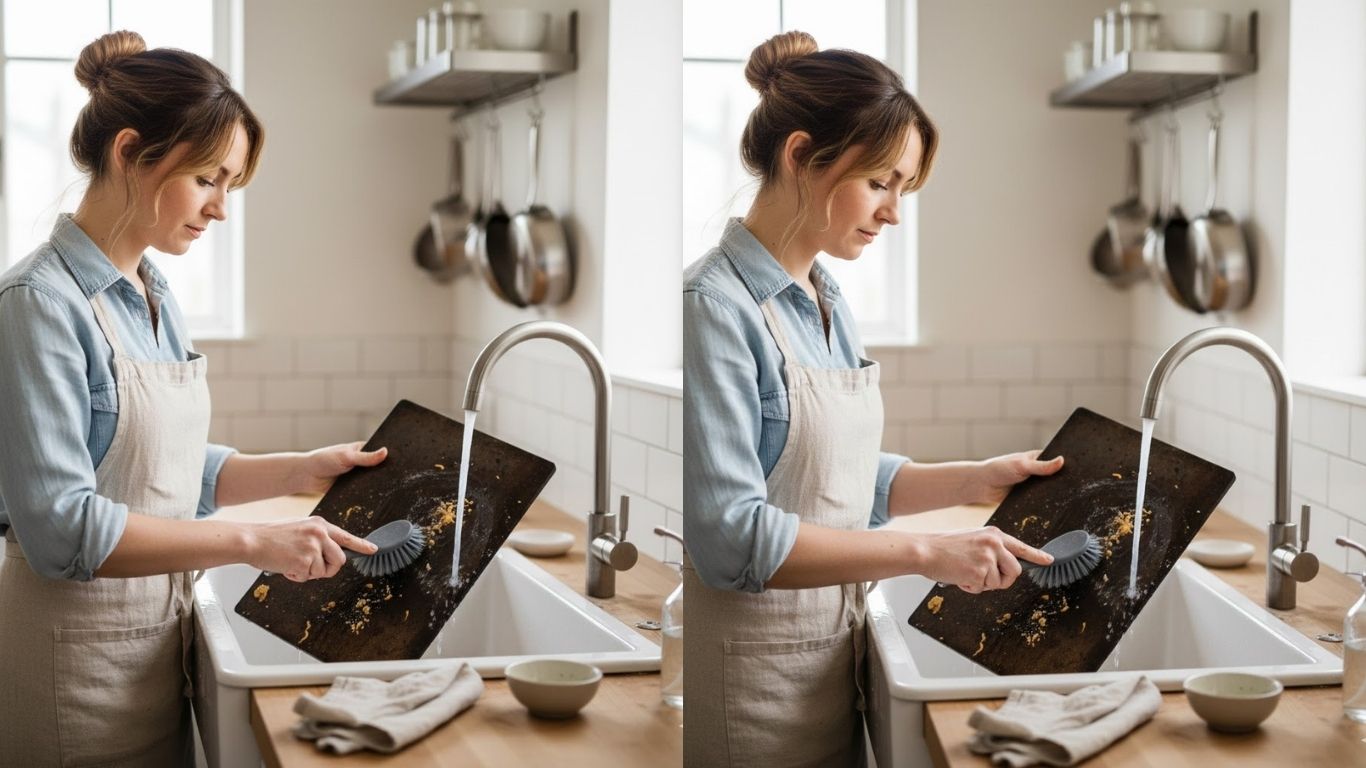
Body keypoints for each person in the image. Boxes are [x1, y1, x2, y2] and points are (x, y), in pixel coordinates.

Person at [682, 31, 1066, 768]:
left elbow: (835, 480)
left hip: (827, 672)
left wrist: (974, 479)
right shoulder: (714, 308)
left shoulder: (824, 297)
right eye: (882, 181)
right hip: (752, 693)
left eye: (903, 188)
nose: (893, 212)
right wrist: (929, 552)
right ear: (800, 156)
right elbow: (730, 536)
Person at [0, 31, 383, 765]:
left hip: (150, 656)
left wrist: (297, 470)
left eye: (228, 187)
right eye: (208, 179)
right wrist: (256, 541)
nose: (220, 210)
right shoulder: (38, 302)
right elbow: (59, 527)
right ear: (129, 152)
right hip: (70, 676)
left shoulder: (154, 292)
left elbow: (158, 468)